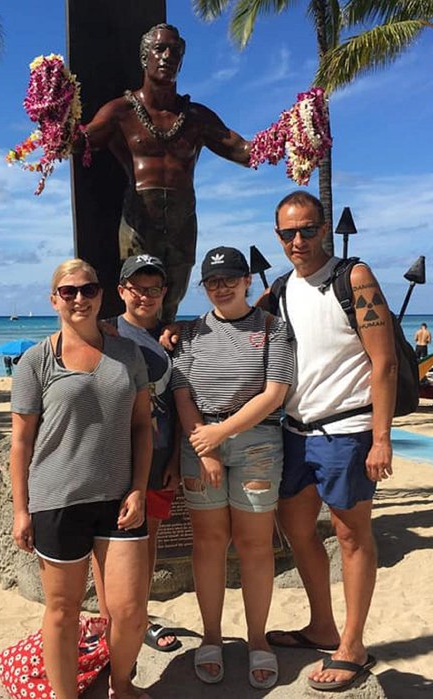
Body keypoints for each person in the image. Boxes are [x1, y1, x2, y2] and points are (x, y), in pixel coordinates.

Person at [260, 190, 395, 692]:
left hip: (348, 430)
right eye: (287, 233)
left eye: (307, 229)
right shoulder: (280, 288)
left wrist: (381, 438)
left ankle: (353, 645)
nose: (298, 240)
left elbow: (384, 362)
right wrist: (176, 335)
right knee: (295, 528)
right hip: (295, 431)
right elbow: (236, 320)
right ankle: (322, 624)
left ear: (323, 229)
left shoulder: (352, 277)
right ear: (277, 236)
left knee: (351, 535)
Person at [10, 258, 153, 699]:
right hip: (57, 500)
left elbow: (143, 425)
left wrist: (139, 489)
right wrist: (21, 509)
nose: (79, 298)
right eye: (68, 291)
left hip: (117, 499)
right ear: (54, 299)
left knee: (130, 610)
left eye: (87, 290)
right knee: (63, 610)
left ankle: (121, 684)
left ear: (101, 295)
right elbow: (21, 442)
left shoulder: (128, 354)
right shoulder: (36, 361)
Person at [172, 247, 293, 689]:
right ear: (203, 288)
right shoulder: (188, 333)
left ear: (246, 281)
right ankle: (211, 636)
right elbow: (182, 391)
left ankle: (258, 640)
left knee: (255, 545)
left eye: (229, 279)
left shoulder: (273, 328)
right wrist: (204, 445)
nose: (221, 288)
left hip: (257, 443)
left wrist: (220, 436)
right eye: (212, 281)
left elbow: (275, 392)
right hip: (199, 441)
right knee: (208, 542)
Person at [84, 23, 251, 323]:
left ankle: (170, 360)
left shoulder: (196, 117)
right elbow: (82, 141)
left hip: (181, 221)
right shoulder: (121, 111)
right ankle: (134, 356)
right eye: (160, 48)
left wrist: (292, 136)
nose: (167, 56)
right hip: (138, 219)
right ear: (144, 56)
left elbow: (243, 151)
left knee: (171, 301)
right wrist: (55, 122)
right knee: (139, 296)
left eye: (175, 51)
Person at [110, 254, 181, 654]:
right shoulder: (106, 334)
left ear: (164, 293)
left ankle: (142, 615)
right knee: (115, 543)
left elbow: (183, 402)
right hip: (117, 457)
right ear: (122, 291)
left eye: (154, 289)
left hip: (160, 455)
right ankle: (115, 616)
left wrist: (174, 460)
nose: (145, 296)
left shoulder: (176, 338)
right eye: (137, 288)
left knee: (147, 541)